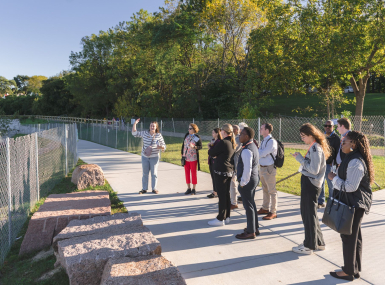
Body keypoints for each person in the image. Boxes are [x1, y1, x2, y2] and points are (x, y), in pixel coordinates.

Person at [328, 131, 373, 281]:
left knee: (348, 236)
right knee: (354, 236)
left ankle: (348, 272)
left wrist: (334, 179)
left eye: (344, 142)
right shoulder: (351, 158)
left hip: (354, 203)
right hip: (353, 202)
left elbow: (351, 186)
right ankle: (354, 269)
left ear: (353, 144)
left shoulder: (356, 162)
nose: (341, 144)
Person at [292, 123, 330, 255]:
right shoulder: (314, 147)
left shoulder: (315, 149)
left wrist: (300, 159)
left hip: (311, 184)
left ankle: (309, 246)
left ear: (311, 135)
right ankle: (319, 242)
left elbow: (314, 170)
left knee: (308, 215)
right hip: (311, 184)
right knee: (311, 214)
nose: (302, 138)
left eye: (303, 136)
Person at [207, 124, 236, 226]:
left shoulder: (223, 142)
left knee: (222, 196)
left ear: (224, 132)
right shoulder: (231, 142)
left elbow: (211, 152)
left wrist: (211, 146)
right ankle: (227, 216)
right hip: (228, 171)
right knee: (226, 194)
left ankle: (220, 218)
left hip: (221, 171)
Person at [235, 127, 260, 239]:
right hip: (254, 179)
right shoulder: (252, 145)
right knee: (252, 204)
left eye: (242, 134)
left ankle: (250, 232)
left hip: (248, 181)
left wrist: (243, 183)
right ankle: (254, 227)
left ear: (248, 136)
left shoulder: (246, 150)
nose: (239, 136)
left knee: (248, 206)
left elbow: (247, 169)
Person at [132, 118, 166, 194]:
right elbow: (134, 133)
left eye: (153, 126)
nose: (152, 127)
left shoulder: (158, 135)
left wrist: (160, 147)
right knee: (145, 173)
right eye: (151, 126)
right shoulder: (145, 133)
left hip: (154, 157)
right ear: (149, 126)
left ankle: (154, 188)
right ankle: (144, 189)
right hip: (145, 157)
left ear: (156, 127)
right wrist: (135, 124)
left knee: (154, 173)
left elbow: (164, 145)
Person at [258, 123, 278, 220]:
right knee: (265, 189)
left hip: (269, 168)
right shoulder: (263, 140)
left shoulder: (271, 141)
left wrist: (260, 153)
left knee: (272, 191)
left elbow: (263, 153)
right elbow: (260, 153)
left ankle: (273, 211)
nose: (260, 130)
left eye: (261, 128)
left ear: (267, 130)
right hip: (262, 167)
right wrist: (260, 153)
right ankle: (265, 208)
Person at [318, 120, 340, 208]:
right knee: (320, 183)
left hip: (330, 165)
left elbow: (338, 152)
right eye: (326, 126)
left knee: (331, 184)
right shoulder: (321, 136)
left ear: (333, 127)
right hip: (320, 164)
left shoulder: (336, 138)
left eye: (329, 126)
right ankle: (321, 201)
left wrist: (335, 164)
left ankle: (332, 201)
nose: (327, 127)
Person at [181, 123, 202, 195]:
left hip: (193, 158)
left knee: (193, 173)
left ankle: (194, 189)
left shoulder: (197, 137)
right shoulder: (187, 135)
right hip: (186, 157)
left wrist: (194, 146)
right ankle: (188, 188)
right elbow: (183, 145)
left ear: (194, 129)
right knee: (186, 173)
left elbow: (200, 146)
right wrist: (182, 153)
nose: (188, 130)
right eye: (188, 128)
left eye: (190, 129)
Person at [207, 128, 223, 198]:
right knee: (213, 177)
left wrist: (209, 146)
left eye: (213, 133)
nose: (212, 134)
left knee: (215, 177)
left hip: (215, 162)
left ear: (217, 133)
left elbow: (213, 152)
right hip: (211, 161)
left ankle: (216, 192)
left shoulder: (218, 142)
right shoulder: (213, 141)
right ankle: (215, 191)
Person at [236, 122, 248, 203]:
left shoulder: (241, 138)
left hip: (243, 161)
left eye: (241, 128)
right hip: (239, 161)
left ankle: (244, 195)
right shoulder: (239, 137)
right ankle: (242, 195)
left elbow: (235, 148)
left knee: (243, 178)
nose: (239, 130)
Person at [230, 124, 241, 209]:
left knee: (233, 182)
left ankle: (234, 202)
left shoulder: (238, 138)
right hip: (232, 163)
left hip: (236, 164)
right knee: (233, 183)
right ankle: (233, 200)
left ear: (235, 131)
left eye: (231, 130)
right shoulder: (234, 138)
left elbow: (234, 149)